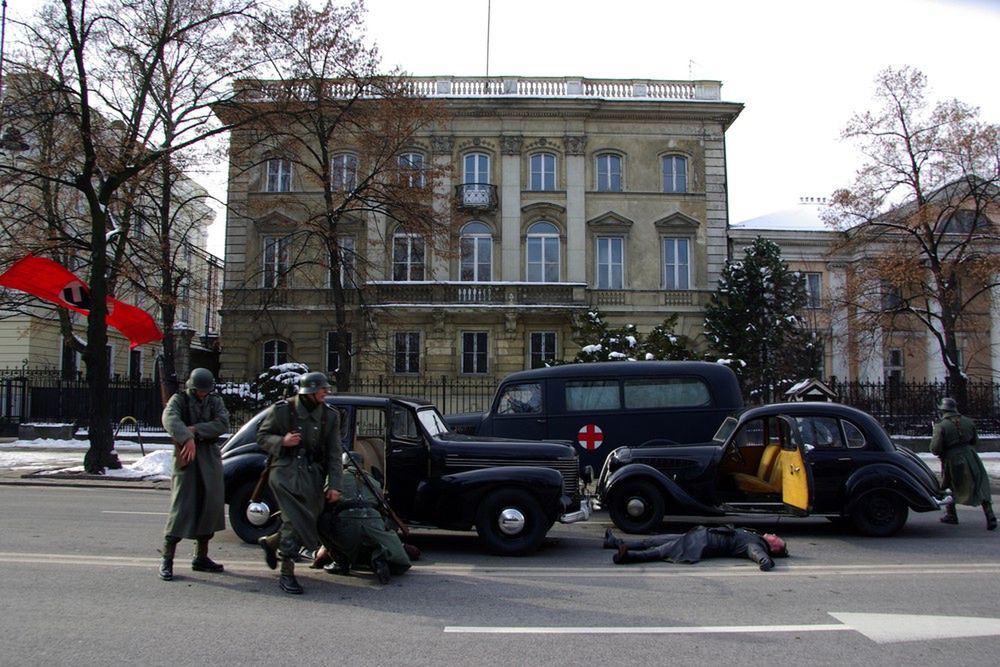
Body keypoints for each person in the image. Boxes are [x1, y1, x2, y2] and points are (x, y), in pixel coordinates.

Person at [256, 372, 343, 594]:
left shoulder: (330, 416)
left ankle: (271, 543)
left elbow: (334, 452)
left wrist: (334, 485)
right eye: (322, 389)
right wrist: (282, 441)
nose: (326, 392)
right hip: (284, 471)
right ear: (310, 391)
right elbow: (262, 437)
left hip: (312, 473)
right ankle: (287, 573)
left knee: (309, 517)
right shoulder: (283, 411)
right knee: (293, 520)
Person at [158, 368, 231, 582]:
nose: (203, 394)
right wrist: (186, 437)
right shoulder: (179, 399)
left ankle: (201, 556)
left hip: (208, 456)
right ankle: (167, 559)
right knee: (182, 507)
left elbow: (222, 423)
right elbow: (169, 419)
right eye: (200, 391)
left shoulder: (214, 400)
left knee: (210, 505)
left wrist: (195, 430)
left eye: (205, 391)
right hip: (186, 457)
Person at [312, 452, 412, 584]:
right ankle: (378, 559)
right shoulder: (374, 482)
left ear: (343, 464)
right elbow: (383, 509)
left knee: (321, 521)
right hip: (374, 526)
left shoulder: (336, 479)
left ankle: (340, 562)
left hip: (347, 525)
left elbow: (322, 502)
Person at [931, 397, 996, 530]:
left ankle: (951, 514)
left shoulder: (941, 425)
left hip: (952, 459)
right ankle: (990, 515)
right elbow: (976, 442)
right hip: (971, 457)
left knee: (950, 486)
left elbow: (935, 448)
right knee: (980, 485)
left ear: (943, 410)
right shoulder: (968, 422)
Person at [603, 524, 788, 570]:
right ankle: (615, 543)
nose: (773, 534)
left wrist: (764, 561)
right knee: (654, 540)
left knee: (663, 550)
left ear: (774, 547)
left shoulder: (756, 544)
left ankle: (628, 557)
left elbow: (755, 553)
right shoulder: (755, 536)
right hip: (700, 534)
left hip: (704, 542)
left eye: (776, 538)